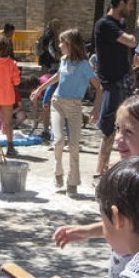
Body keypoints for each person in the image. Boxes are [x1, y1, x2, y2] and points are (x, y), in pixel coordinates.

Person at [53, 95, 139, 261]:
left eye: (128, 131)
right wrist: (87, 231)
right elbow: (127, 225)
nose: (118, 137)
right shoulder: (132, 178)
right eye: (117, 128)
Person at [31, 29, 102, 196]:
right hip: (58, 102)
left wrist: (95, 109)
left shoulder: (84, 65)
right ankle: (58, 172)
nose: (60, 45)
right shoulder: (63, 60)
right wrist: (40, 88)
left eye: (63, 42)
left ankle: (73, 182)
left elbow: (99, 87)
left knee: (74, 145)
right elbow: (57, 76)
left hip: (75, 106)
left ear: (71, 44)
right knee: (58, 141)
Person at [94, 0, 139, 177]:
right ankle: (99, 170)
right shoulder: (105, 24)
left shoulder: (116, 24)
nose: (131, 8)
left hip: (121, 80)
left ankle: (109, 168)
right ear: (120, 3)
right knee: (109, 127)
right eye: (130, 4)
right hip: (112, 83)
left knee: (123, 125)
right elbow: (131, 42)